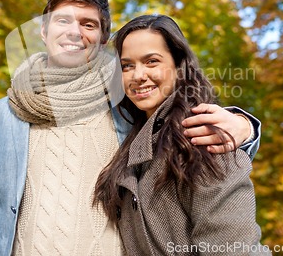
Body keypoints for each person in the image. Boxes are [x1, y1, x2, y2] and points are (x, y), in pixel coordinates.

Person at [0, 0, 262, 255]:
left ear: (103, 37)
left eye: (88, 24)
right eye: (63, 20)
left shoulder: (122, 102)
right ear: (43, 31)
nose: (74, 31)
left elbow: (177, 121)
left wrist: (244, 127)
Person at [94, 14, 270, 256]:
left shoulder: (203, 140)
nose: (138, 75)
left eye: (152, 61)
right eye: (127, 66)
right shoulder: (128, 140)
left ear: (179, 67)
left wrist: (244, 126)